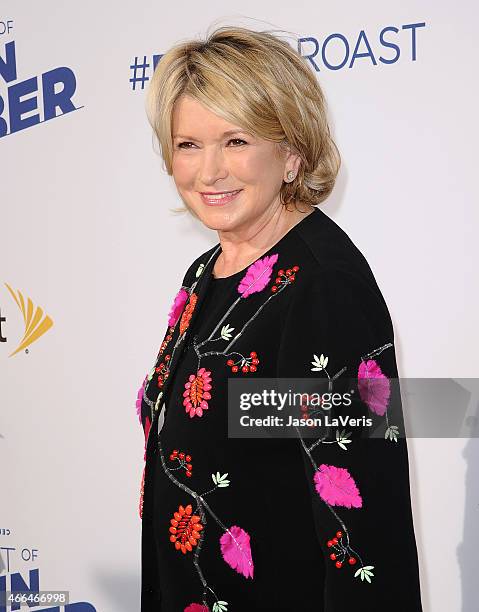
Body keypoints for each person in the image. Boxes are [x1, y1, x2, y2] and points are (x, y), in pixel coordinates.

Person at [137, 25, 423, 612]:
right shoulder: (205, 272)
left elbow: (365, 528)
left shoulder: (323, 287)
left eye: (235, 140)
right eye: (188, 144)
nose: (209, 171)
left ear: (291, 153)